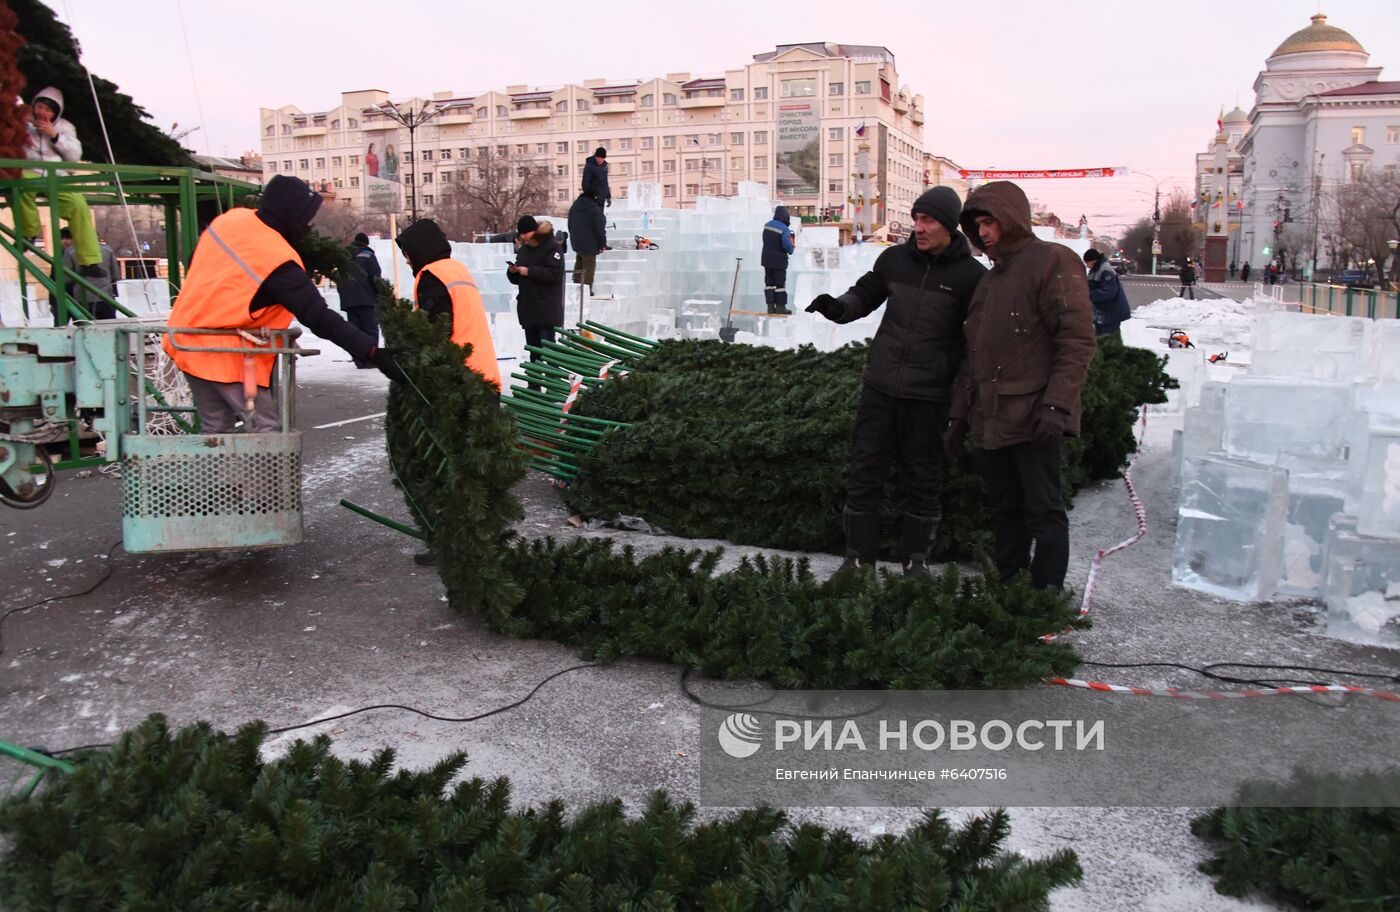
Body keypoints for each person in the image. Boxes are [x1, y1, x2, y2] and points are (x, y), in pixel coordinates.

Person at [805, 186, 986, 578]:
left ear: (949, 226)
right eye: (917, 219)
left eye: (929, 220)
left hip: (930, 395)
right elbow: (865, 294)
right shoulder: (895, 259)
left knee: (923, 476)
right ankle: (857, 560)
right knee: (864, 469)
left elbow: (977, 343)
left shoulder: (972, 277)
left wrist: (962, 400)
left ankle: (916, 562)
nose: (919, 228)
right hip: (880, 386)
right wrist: (838, 308)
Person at [163, 175, 406, 433]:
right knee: (265, 429)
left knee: (216, 431)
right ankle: (268, 476)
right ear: (292, 214)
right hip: (228, 357)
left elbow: (197, 261)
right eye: (307, 218)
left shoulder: (230, 221)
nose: (310, 225)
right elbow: (318, 316)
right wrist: (372, 352)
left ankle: (220, 475)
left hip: (186, 342)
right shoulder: (276, 257)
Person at [945, 180, 1096, 592]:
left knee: (1043, 510)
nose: (985, 233)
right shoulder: (990, 281)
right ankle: (1008, 585)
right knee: (1005, 508)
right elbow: (972, 354)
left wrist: (1057, 407)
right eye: (977, 225)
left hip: (1035, 416)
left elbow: (1076, 340)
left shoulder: (1053, 260)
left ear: (1010, 218)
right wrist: (959, 417)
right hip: (993, 416)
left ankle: (1045, 593)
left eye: (990, 221)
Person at [394, 218, 499, 389]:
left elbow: (435, 332)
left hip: (459, 381)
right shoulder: (457, 270)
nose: (407, 260)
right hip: (484, 372)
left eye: (408, 254)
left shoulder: (432, 277)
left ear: (420, 248)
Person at [18, 87, 103, 277]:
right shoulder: (23, 122)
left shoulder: (65, 127)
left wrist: (54, 134)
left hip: (56, 174)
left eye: (48, 110)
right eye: (40, 107)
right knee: (20, 186)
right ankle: (29, 232)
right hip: (29, 169)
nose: (42, 113)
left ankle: (90, 260)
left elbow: (74, 156)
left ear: (55, 113)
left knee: (78, 205)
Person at [506, 215, 565, 362]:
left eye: (525, 233)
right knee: (534, 353)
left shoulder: (552, 246)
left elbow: (556, 274)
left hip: (546, 308)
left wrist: (530, 271)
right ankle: (534, 384)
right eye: (521, 234)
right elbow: (518, 279)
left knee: (550, 352)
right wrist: (513, 272)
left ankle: (553, 382)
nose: (523, 237)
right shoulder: (524, 250)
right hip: (529, 309)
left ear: (534, 231)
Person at [338, 232, 382, 368]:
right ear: (366, 243)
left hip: (349, 301)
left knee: (354, 331)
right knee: (370, 329)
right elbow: (376, 278)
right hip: (367, 300)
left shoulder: (344, 257)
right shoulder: (368, 255)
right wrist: (380, 295)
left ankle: (358, 360)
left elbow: (338, 278)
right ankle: (370, 359)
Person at [1083, 248, 1131, 338]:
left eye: (1087, 263)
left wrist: (1087, 295)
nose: (1087, 265)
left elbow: (1108, 292)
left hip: (1111, 314)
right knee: (1101, 340)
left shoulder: (1105, 270)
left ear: (1093, 261)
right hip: (1103, 314)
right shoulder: (1095, 270)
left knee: (1110, 341)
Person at [566, 191, 607, 293]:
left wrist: (574, 238)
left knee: (579, 262)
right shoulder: (594, 208)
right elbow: (599, 228)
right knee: (589, 267)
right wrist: (602, 243)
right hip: (590, 244)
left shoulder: (574, 207)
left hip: (577, 242)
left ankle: (576, 286)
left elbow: (569, 224)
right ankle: (586, 290)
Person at [761, 205, 796, 315]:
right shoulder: (784, 229)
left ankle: (770, 307)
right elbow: (787, 245)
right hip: (779, 261)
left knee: (769, 283)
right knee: (780, 285)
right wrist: (791, 248)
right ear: (786, 216)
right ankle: (780, 307)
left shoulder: (767, 226)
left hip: (766, 259)